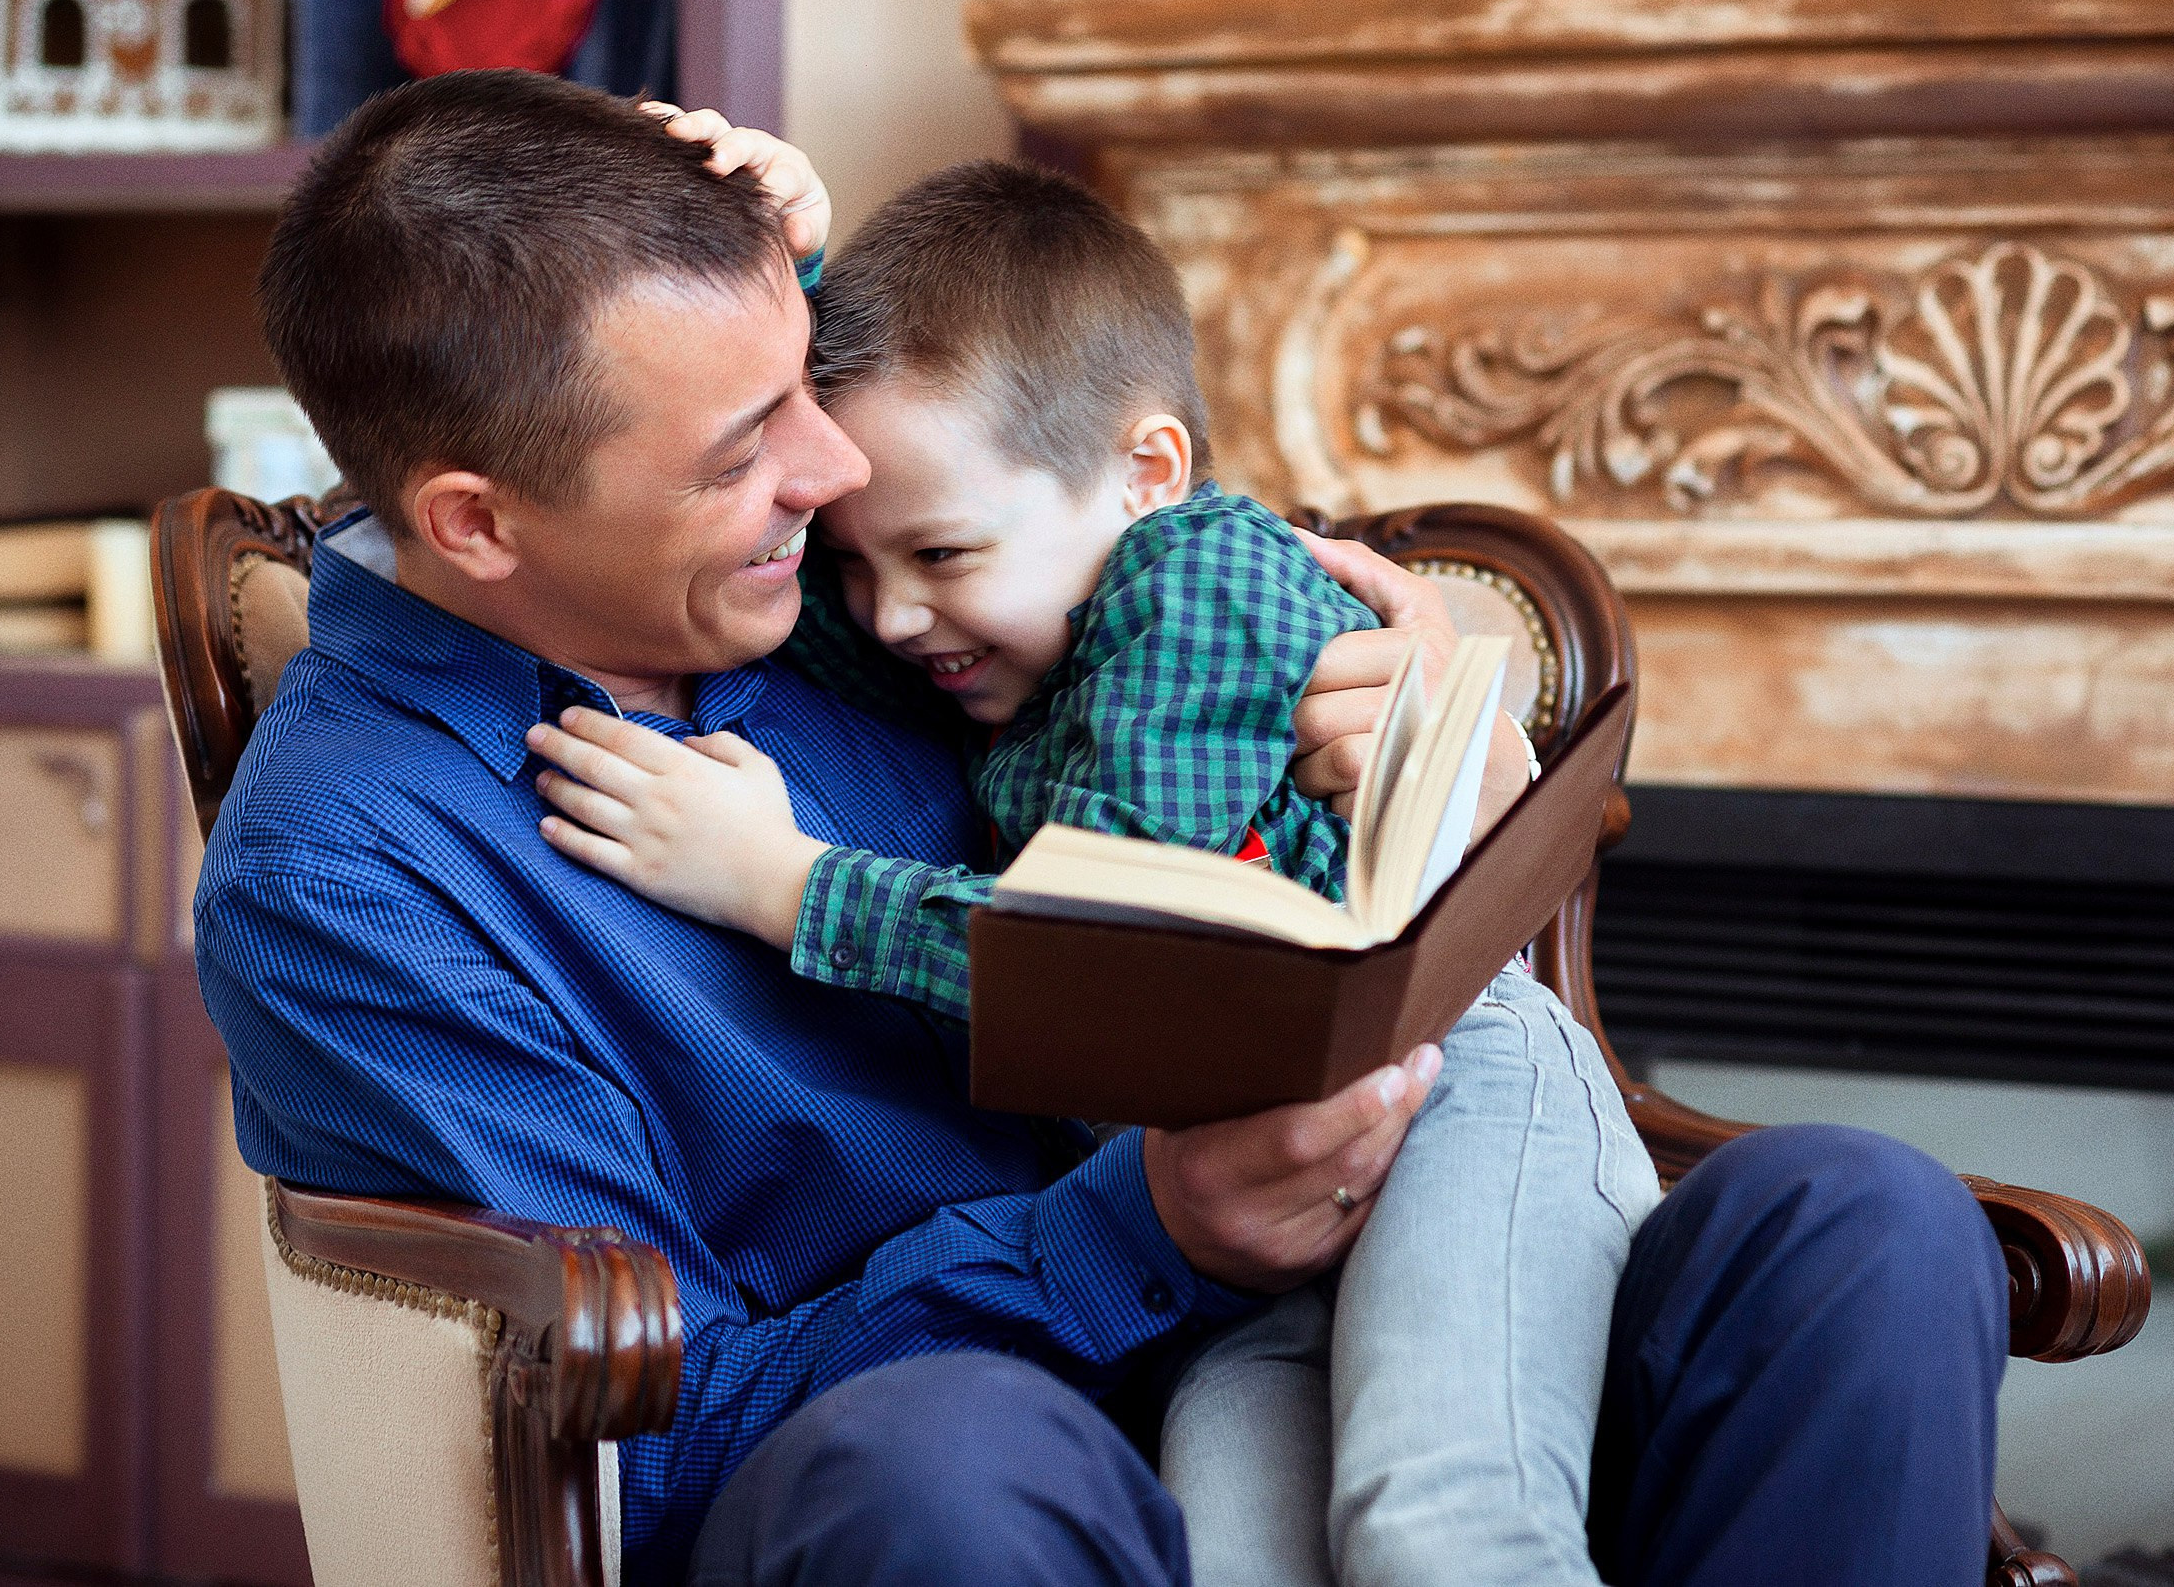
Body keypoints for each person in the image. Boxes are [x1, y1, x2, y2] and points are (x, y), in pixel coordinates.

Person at [199, 67, 2009, 1587]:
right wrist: (1140, 1232)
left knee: (1858, 1220)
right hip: (965, 1466)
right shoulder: (352, 876)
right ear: (479, 525)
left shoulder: (834, 597)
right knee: (943, 1459)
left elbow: (1104, 518)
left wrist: (1405, 712)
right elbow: (630, 1462)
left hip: (1339, 1341)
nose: (832, 484)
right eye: (746, 443)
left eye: (808, 394)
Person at [527, 156, 1661, 1587]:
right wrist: (783, 265)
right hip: (1258, 1204)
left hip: (1448, 1084)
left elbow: (1120, 961)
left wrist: (787, 881)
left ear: (1148, 473)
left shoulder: (1192, 582)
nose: (886, 613)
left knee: (1437, 1533)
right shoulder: (978, 624)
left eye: (935, 551)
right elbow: (724, 554)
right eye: (863, 560)